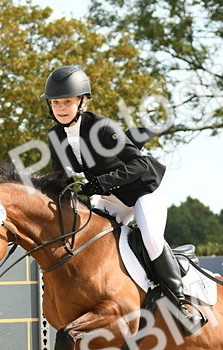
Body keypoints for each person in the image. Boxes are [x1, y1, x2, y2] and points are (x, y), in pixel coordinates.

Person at [41, 65, 203, 335]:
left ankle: (181, 302)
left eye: (67, 101)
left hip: (143, 190)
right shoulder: (55, 136)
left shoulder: (102, 127)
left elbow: (140, 165)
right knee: (89, 240)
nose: (61, 107)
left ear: (82, 101)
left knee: (150, 238)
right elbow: (59, 178)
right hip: (111, 197)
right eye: (56, 102)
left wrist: (100, 184)